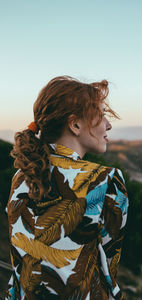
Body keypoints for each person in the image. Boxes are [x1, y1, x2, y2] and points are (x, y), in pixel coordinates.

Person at [6, 76, 129, 300]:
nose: (108, 125)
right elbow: (109, 266)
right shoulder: (106, 180)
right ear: (75, 124)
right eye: (102, 116)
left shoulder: (20, 176)